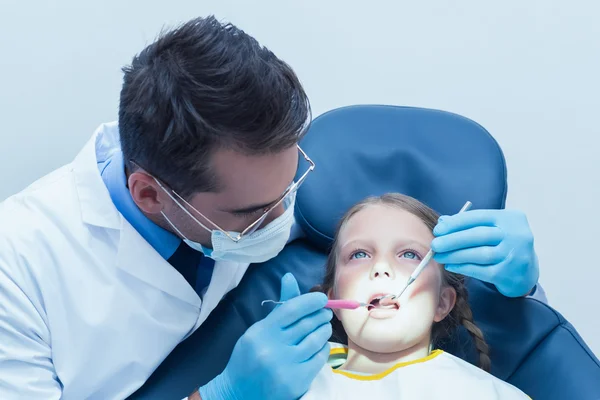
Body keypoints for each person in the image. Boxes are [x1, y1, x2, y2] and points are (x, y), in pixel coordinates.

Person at [0, 15, 543, 400]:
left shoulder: (254, 187)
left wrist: (524, 288)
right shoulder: (18, 273)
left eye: (292, 186)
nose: (283, 217)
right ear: (150, 195)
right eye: (254, 214)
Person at [301, 193, 531, 399]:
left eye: (409, 254)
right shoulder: (290, 381)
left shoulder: (487, 394)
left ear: (442, 303)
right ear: (335, 300)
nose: (381, 267)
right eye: (359, 254)